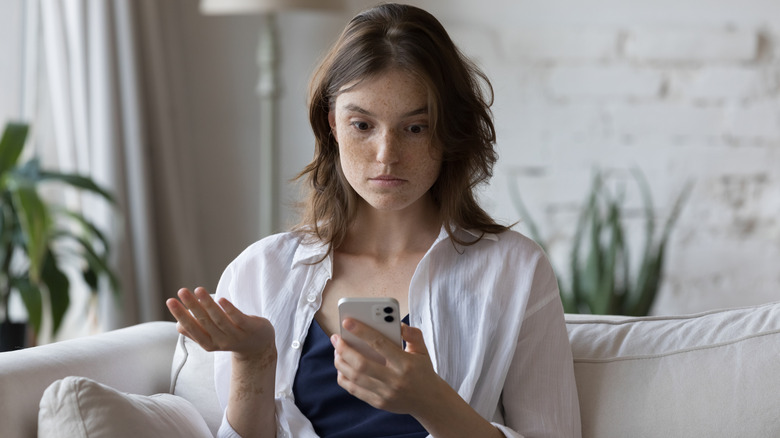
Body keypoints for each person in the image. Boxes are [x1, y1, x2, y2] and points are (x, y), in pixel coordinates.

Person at [166, 3, 581, 437]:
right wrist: (255, 360)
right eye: (362, 125)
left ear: (449, 133)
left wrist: (431, 402)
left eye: (415, 128)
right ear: (332, 126)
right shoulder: (261, 273)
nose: (386, 155)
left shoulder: (513, 271)